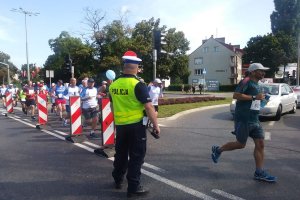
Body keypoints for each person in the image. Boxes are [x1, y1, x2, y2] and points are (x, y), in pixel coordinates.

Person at [211, 63, 277, 183]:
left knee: (260, 144)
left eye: (264, 71)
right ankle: (218, 150)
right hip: (244, 119)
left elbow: (255, 100)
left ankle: (259, 172)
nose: (263, 73)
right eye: (260, 71)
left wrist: (262, 100)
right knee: (240, 144)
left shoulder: (257, 84)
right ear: (252, 72)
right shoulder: (246, 80)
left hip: (254, 119)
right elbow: (236, 95)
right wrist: (254, 97)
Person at [110, 50, 160, 198]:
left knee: (120, 154)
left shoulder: (114, 85)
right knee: (136, 156)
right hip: (136, 126)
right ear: (136, 68)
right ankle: (133, 187)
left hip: (121, 126)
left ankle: (117, 179)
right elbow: (149, 106)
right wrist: (156, 125)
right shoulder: (138, 84)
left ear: (125, 67)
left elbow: (112, 106)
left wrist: (116, 121)